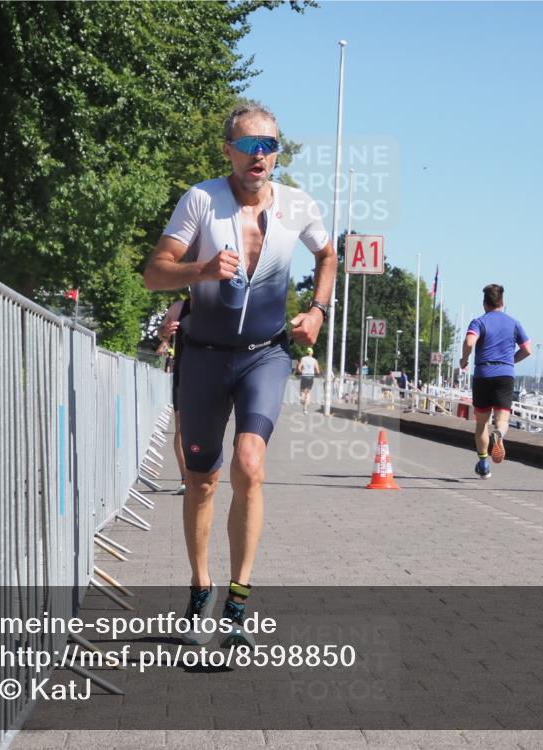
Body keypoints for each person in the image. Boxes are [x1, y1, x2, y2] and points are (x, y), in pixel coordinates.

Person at [144, 103, 336, 648]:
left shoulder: (297, 205)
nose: (260, 156)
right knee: (201, 480)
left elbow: (328, 257)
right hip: (203, 354)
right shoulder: (201, 200)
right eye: (249, 145)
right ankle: (200, 585)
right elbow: (153, 274)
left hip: (264, 354)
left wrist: (318, 311)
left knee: (250, 465)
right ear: (228, 149)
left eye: (269, 146)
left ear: (278, 152)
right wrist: (200, 270)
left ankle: (238, 599)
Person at [459, 284, 532, 479]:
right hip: (505, 375)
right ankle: (499, 434)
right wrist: (510, 361)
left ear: (485, 303)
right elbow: (527, 349)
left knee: (482, 422)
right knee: (502, 420)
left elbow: (468, 342)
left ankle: (483, 463)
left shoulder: (479, 322)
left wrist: (464, 359)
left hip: (483, 373)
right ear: (503, 302)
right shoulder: (513, 323)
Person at [158, 298, 192, 495]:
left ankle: (203, 472)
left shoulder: (223, 302)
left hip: (213, 374)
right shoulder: (179, 307)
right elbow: (162, 332)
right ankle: (185, 477)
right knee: (181, 428)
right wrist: (165, 331)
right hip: (183, 374)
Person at [296, 347, 320, 413]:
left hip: (304, 376)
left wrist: (301, 372)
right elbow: (318, 371)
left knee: (302, 391)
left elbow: (299, 367)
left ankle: (302, 399)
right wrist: (316, 373)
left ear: (306, 352)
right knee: (308, 392)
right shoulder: (315, 360)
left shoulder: (303, 359)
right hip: (311, 377)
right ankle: (305, 409)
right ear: (312, 353)